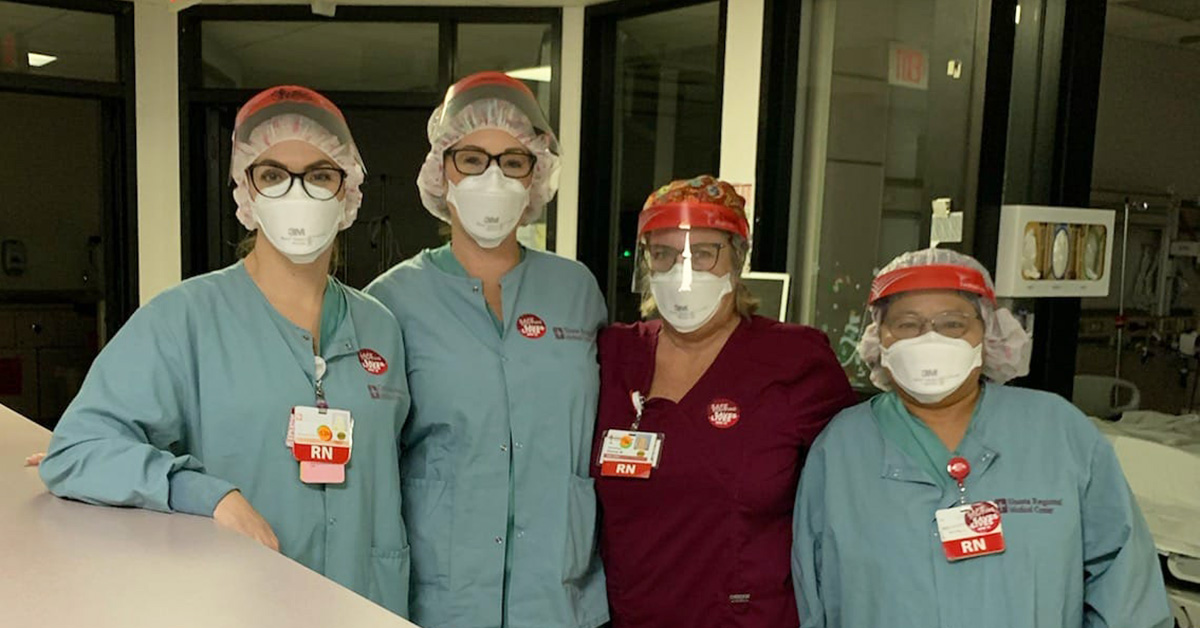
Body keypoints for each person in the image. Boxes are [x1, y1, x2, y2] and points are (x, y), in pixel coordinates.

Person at [36, 86, 411, 615]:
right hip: (242, 604)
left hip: (367, 602)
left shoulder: (381, 327)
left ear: (348, 192)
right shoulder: (183, 320)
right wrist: (205, 493)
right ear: (246, 191)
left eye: (321, 175)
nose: (297, 193)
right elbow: (75, 452)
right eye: (274, 174)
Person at [791, 248, 1173, 628]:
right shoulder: (842, 448)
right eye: (907, 324)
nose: (929, 339)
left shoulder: (1058, 431)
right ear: (879, 337)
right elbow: (814, 595)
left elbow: (1125, 586)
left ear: (988, 331)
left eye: (952, 323)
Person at [365, 72, 609, 628]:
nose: (492, 177)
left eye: (513, 160)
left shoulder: (576, 293)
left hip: (559, 598)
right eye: (472, 159)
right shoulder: (392, 301)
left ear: (536, 176)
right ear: (441, 172)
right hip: (440, 602)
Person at [592, 175, 856, 628]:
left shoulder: (793, 360)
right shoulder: (616, 353)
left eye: (705, 253)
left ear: (737, 259)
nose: (683, 271)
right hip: (632, 614)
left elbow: (856, 485)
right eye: (664, 254)